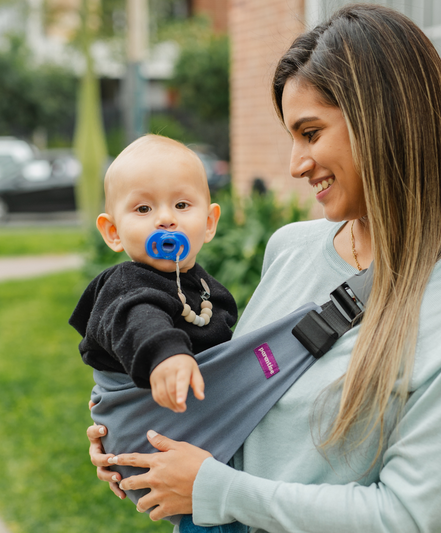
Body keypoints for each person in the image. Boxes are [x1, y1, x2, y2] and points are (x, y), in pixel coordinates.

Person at [87, 5, 441, 533]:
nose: (296, 163)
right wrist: (137, 433)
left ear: (381, 120)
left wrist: (213, 488)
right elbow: (248, 413)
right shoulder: (291, 247)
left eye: (311, 133)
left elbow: (407, 518)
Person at [70, 134, 246, 533]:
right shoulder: (125, 284)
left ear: (210, 221)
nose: (165, 219)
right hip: (165, 441)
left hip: (198, 441)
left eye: (182, 205)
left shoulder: (204, 288)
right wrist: (168, 354)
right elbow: (137, 318)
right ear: (113, 231)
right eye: (143, 207)